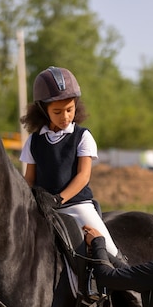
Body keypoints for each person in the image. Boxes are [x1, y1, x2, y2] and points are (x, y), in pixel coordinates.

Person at [20, 65, 121, 260]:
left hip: (77, 206)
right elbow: (29, 179)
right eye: (57, 111)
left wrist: (57, 199)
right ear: (43, 109)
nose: (65, 117)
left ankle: (125, 282)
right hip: (42, 209)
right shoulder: (33, 141)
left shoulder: (82, 137)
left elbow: (83, 176)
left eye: (69, 110)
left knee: (109, 251)